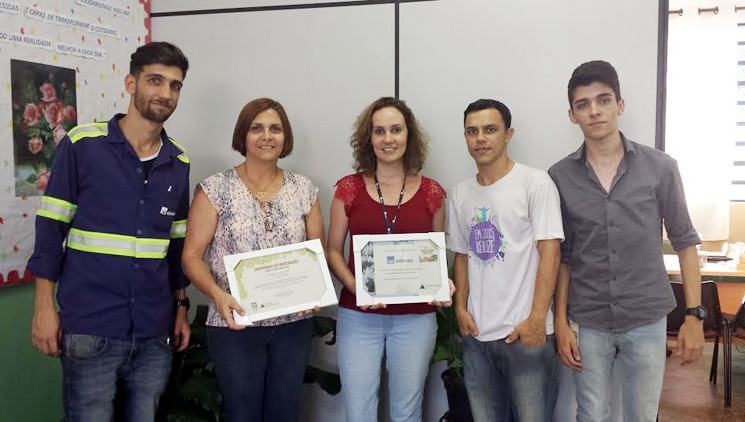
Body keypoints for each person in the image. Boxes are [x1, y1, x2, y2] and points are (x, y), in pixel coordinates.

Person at [27, 41, 191, 421]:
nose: (165, 93)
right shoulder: (83, 145)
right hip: (91, 327)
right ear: (131, 83)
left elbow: (175, 248)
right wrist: (43, 310)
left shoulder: (178, 161)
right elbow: (50, 229)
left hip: (154, 331)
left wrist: (181, 307)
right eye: (155, 80)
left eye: (175, 85)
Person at [549, 60, 705, 421]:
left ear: (620, 105)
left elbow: (685, 242)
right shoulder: (559, 176)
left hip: (645, 316)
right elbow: (564, 257)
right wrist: (559, 322)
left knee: (641, 414)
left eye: (603, 100)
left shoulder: (660, 167)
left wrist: (695, 316)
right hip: (587, 319)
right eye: (583, 104)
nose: (594, 111)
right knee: (590, 414)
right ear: (572, 115)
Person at [181, 98, 324, 422]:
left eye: (275, 128)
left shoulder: (305, 190)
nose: (267, 136)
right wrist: (218, 296)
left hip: (292, 327)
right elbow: (191, 256)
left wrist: (316, 292)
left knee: (284, 413)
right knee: (241, 413)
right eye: (256, 128)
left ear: (285, 137)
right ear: (242, 135)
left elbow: (316, 254)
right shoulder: (215, 189)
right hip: (235, 324)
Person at [327, 97, 451, 422]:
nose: (388, 139)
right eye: (379, 131)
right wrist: (357, 288)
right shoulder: (348, 189)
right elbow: (332, 250)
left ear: (408, 135)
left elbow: (436, 251)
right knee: (359, 412)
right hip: (359, 317)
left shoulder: (433, 193)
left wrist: (442, 282)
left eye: (396, 130)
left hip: (416, 320)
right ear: (368, 138)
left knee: (407, 413)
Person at [446, 99, 563, 421]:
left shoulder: (535, 183)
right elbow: (462, 255)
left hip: (525, 334)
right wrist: (461, 308)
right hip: (477, 337)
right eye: (472, 131)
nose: (480, 138)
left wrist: (537, 319)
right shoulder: (460, 193)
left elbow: (550, 252)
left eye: (490, 130)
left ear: (508, 134)